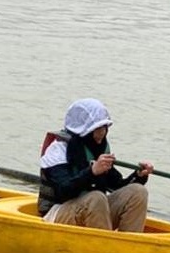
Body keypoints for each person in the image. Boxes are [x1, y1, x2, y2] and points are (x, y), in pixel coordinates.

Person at [38, 98, 154, 232]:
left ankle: (130, 244)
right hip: (58, 212)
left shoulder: (98, 149)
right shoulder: (58, 150)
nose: (102, 133)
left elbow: (117, 186)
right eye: (97, 128)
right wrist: (91, 172)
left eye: (104, 128)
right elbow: (63, 191)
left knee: (138, 191)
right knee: (97, 198)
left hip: (93, 208)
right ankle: (105, 246)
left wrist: (139, 175)